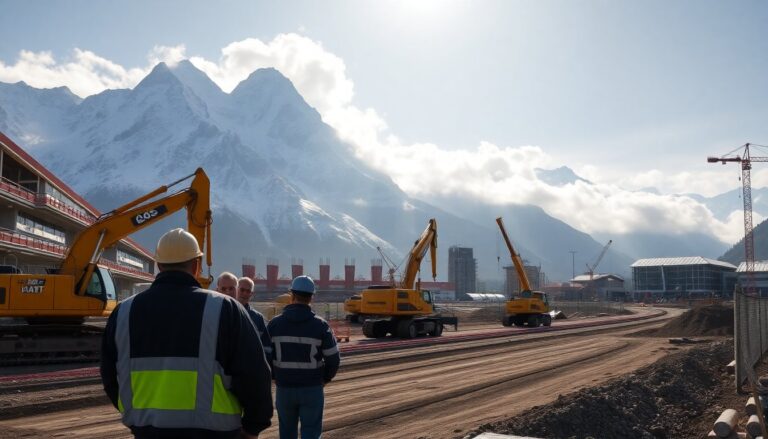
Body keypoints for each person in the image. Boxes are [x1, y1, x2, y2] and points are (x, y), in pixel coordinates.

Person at [100, 228, 273, 438]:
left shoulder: (123, 312)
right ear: (197, 265)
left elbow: (110, 375)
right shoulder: (225, 309)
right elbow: (254, 374)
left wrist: (136, 417)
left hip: (147, 431)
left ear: (158, 265)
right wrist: (253, 425)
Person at [267, 275, 340, 439]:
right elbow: (333, 359)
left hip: (284, 389)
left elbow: (264, 355)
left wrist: (274, 376)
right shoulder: (320, 325)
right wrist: (325, 379)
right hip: (312, 389)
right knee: (311, 433)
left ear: (292, 295)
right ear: (311, 297)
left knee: (286, 432)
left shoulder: (274, 324)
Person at [237, 276, 272, 360]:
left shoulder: (257, 318)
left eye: (248, 291)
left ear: (251, 294)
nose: (245, 293)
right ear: (236, 289)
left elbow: (267, 347)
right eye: (242, 290)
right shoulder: (224, 312)